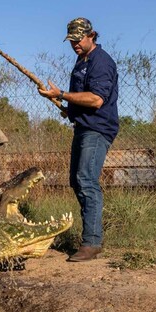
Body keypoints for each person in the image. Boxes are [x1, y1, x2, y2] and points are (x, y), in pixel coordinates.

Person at [39, 18, 119, 262]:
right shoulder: (81, 60)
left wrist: (62, 94)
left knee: (86, 179)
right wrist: (64, 104)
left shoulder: (101, 61)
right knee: (76, 180)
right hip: (83, 126)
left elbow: (96, 100)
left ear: (91, 35)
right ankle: (90, 238)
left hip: (97, 128)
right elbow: (81, 98)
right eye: (71, 40)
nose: (74, 43)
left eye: (78, 39)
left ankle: (92, 242)